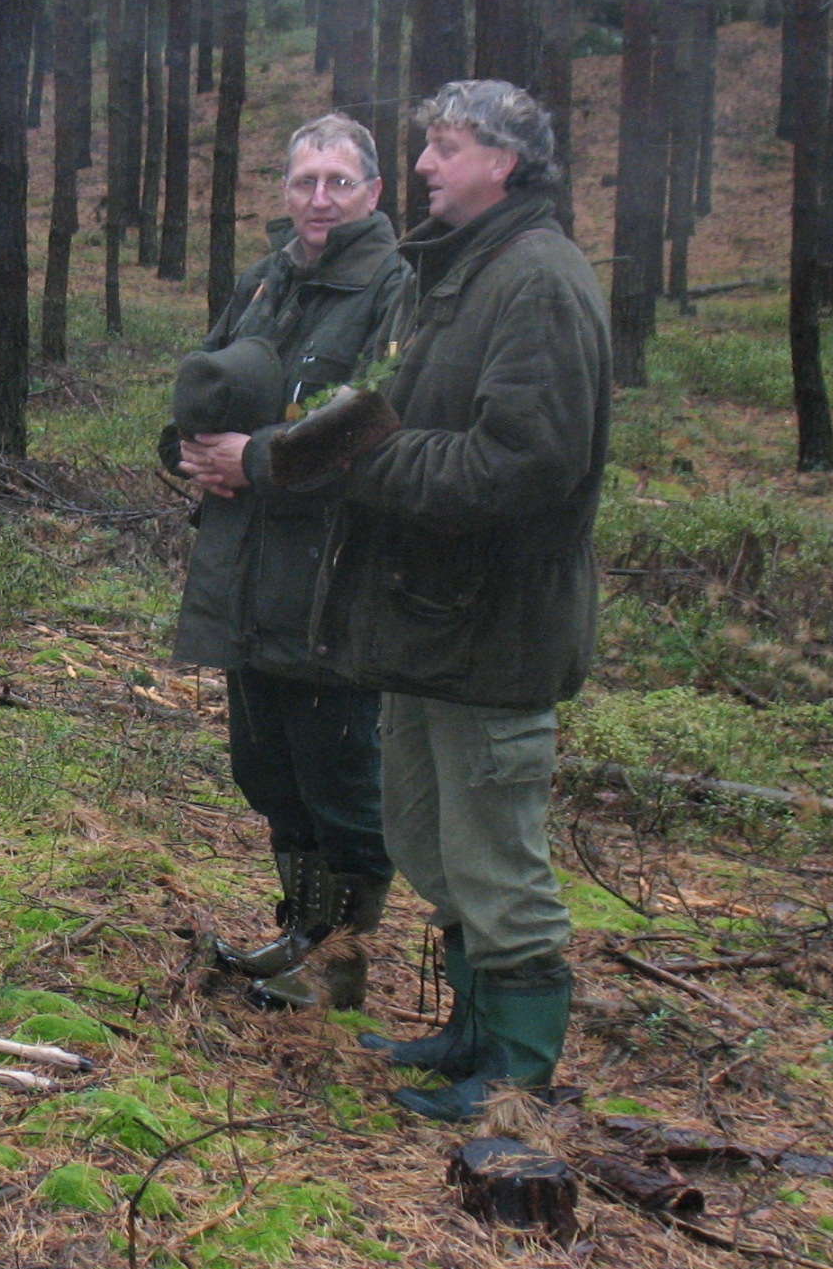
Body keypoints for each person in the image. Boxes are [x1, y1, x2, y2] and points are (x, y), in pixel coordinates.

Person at [186, 80, 610, 1120]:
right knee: (434, 839)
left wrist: (359, 465)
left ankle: (515, 1076)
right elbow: (377, 416)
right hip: (428, 629)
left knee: (497, 855)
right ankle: (470, 1033)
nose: (424, 166)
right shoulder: (468, 271)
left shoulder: (540, 283)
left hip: (492, 629)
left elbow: (525, 467)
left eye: (445, 148)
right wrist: (287, 454)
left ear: (504, 163)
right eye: (425, 147)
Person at [167, 114, 412, 1011]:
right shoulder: (266, 280)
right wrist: (190, 448)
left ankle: (339, 963)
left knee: (338, 771)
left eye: (339, 182)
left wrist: (258, 459)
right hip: (246, 575)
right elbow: (209, 384)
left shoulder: (395, 285)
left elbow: (382, 420)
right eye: (305, 180)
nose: (320, 198)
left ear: (374, 193)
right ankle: (300, 934)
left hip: (332, 585)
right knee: (265, 767)